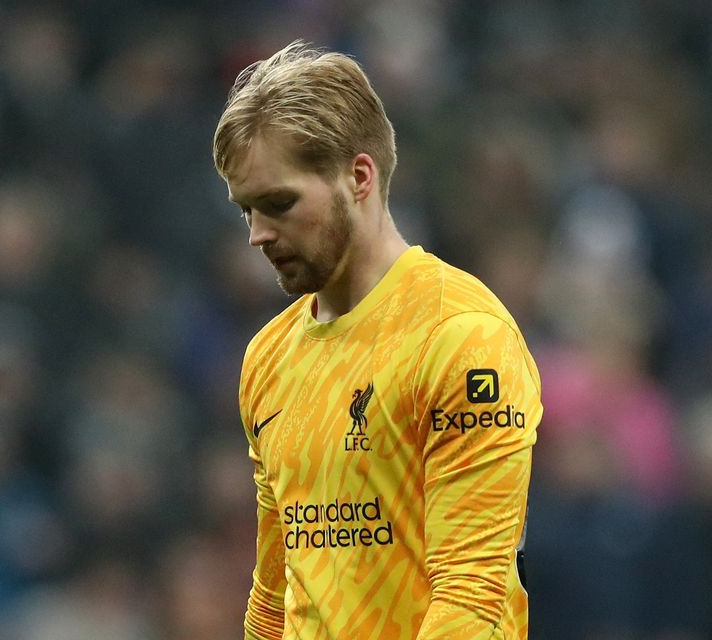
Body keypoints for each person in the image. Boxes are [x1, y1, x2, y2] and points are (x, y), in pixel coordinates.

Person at [212, 40, 542, 639]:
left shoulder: (460, 338)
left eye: (279, 204)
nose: (258, 235)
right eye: (246, 211)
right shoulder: (267, 357)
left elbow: (472, 594)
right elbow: (275, 592)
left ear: (358, 177)